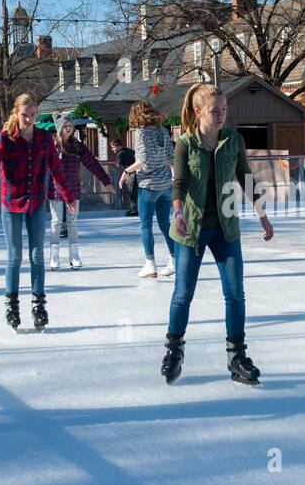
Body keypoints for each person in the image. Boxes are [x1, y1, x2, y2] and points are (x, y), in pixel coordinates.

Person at [163, 83, 274, 386]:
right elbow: (180, 184)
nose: (222, 115)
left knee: (235, 294)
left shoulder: (232, 140)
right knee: (183, 294)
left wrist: (262, 215)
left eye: (224, 110)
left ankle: (236, 356)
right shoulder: (185, 144)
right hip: (191, 230)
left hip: (226, 229)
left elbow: (245, 176)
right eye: (215, 111)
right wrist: (178, 212)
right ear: (199, 112)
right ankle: (174, 350)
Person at [0, 94, 76, 332]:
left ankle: (39, 305)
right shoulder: (6, 138)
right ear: (15, 114)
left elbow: (57, 169)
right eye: (24, 115)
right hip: (11, 204)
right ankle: (12, 306)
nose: (29, 120)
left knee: (38, 255)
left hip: (36, 203)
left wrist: (68, 196)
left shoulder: (44, 139)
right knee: (15, 256)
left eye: (32, 115)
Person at [47, 117, 113, 271]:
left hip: (74, 190)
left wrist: (106, 181)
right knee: (56, 222)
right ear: (59, 129)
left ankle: (74, 255)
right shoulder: (52, 147)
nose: (69, 129)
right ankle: (54, 255)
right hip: (55, 190)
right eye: (65, 126)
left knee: (73, 222)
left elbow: (92, 163)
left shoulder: (77, 147)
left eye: (70, 126)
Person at [123, 100, 175, 278]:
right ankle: (174, 259)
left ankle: (150, 264)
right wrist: (175, 176)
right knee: (165, 224)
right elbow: (171, 156)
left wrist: (126, 171)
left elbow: (143, 161)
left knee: (146, 226)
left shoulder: (141, 133)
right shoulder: (162, 130)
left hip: (149, 186)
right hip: (165, 185)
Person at [111, 136, 138, 216]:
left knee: (131, 192)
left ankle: (134, 209)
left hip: (132, 172)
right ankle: (135, 208)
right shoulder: (127, 149)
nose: (113, 149)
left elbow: (118, 166)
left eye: (114, 147)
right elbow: (136, 154)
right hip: (137, 171)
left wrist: (123, 177)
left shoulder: (120, 154)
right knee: (136, 191)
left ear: (119, 146)